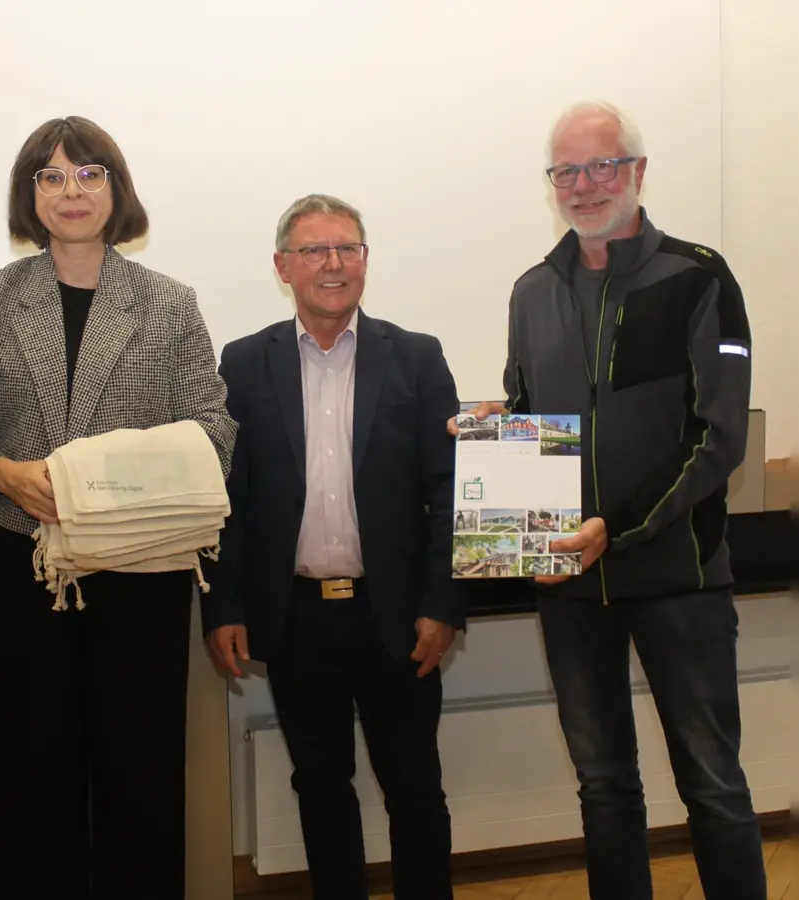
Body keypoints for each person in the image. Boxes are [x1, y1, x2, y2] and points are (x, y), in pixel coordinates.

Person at [449, 102, 764, 899]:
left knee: (713, 786)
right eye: (567, 171)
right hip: (568, 586)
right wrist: (501, 423)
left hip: (679, 581)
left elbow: (718, 438)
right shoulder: (530, 292)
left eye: (603, 166)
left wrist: (613, 531)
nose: (585, 185)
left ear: (638, 171)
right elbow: (535, 411)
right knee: (603, 788)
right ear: (551, 183)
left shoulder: (700, 277)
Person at [0, 115, 236, 899]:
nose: (72, 191)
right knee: (28, 780)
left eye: (89, 173)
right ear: (29, 196)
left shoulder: (169, 304)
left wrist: (111, 477)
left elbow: (213, 425)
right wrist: (0, 471)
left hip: (141, 576)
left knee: (141, 777)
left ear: (116, 188)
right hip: (19, 569)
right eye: (52, 176)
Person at [205, 193, 463, 900]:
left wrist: (444, 603)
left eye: (348, 248)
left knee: (415, 788)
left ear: (365, 262)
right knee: (320, 787)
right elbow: (230, 501)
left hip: (399, 619)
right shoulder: (244, 364)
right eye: (315, 250)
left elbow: (448, 493)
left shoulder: (416, 357)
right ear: (283, 266)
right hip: (295, 619)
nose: (333, 264)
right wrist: (224, 607)